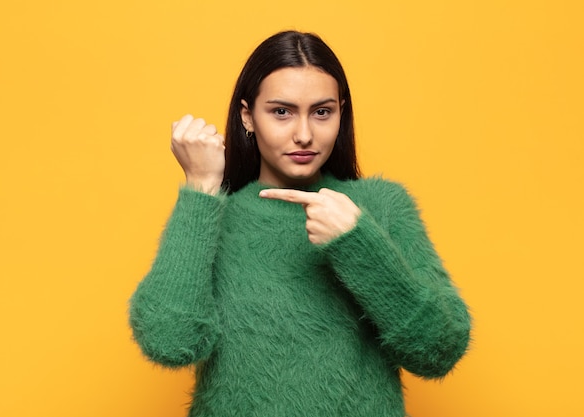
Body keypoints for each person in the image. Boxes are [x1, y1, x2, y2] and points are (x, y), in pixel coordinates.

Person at [129, 30, 471, 417]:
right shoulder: (212, 215)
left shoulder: (380, 207)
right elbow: (169, 342)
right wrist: (201, 187)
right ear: (248, 116)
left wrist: (358, 244)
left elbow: (439, 350)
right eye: (281, 112)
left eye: (322, 112)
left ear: (341, 113)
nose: (304, 134)